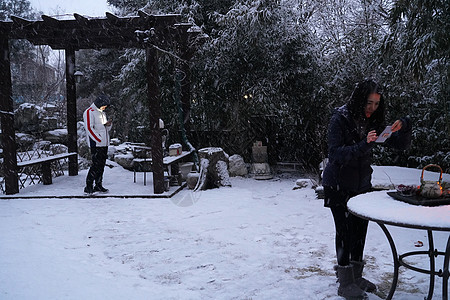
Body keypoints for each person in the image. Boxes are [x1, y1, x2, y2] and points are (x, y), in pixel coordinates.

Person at [322, 79, 411, 299]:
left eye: (376, 104)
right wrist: (363, 144)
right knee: (344, 232)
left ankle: (356, 276)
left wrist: (405, 125)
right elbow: (335, 154)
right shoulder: (340, 119)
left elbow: (400, 144)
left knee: (360, 230)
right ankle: (345, 281)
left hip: (361, 185)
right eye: (368, 103)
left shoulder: (374, 122)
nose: (372, 108)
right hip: (338, 184)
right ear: (359, 99)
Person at [83, 94, 112, 194]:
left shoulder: (102, 113)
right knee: (95, 165)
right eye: (104, 106)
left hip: (104, 143)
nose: (105, 108)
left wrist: (108, 125)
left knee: (101, 165)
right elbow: (89, 128)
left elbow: (104, 128)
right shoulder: (89, 112)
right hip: (96, 144)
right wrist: (98, 139)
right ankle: (89, 186)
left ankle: (98, 184)